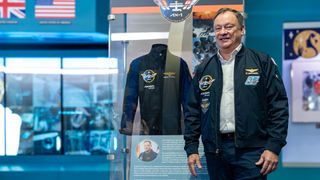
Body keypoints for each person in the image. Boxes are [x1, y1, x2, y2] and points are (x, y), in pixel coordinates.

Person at [184, 8, 288, 180]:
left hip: (252, 153)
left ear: (242, 29)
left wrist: (273, 147)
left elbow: (278, 106)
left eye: (229, 26)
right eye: (218, 28)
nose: (223, 32)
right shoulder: (203, 69)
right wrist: (192, 148)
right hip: (215, 152)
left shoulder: (262, 62)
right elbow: (193, 112)